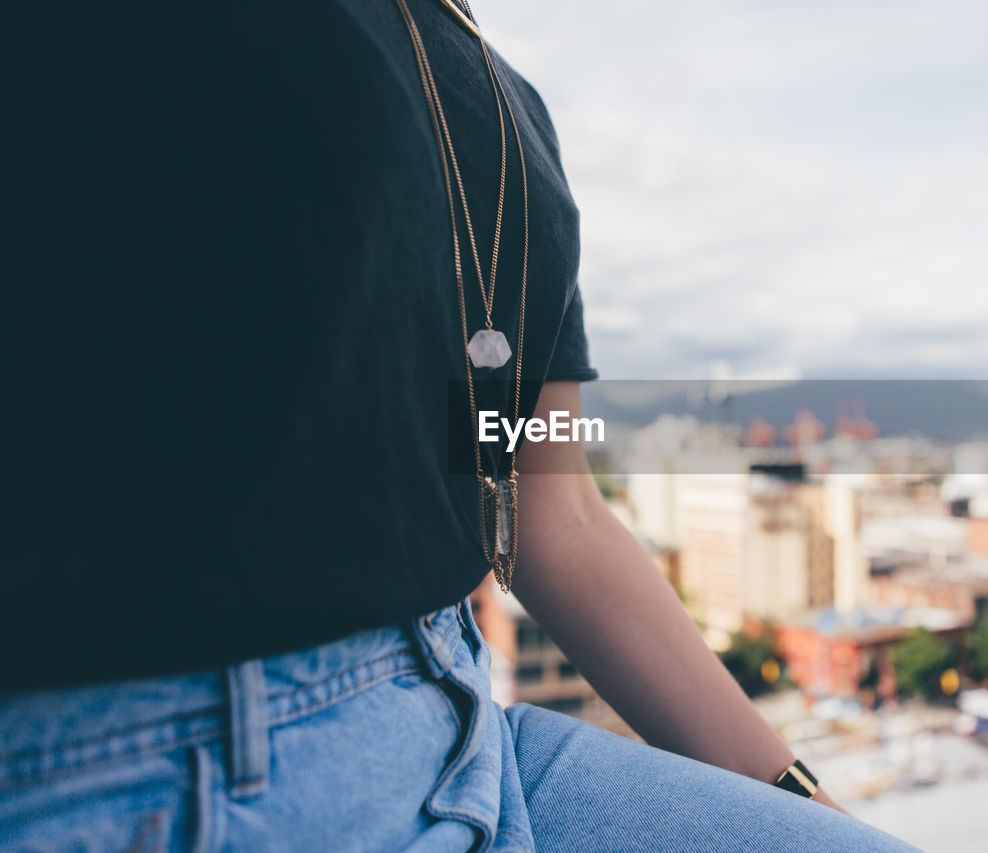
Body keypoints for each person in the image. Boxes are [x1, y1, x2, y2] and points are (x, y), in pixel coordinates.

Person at [1, 1, 918, 850]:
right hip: (122, 756)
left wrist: (794, 795)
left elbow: (559, 518)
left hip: (465, 729)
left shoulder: (501, 102)